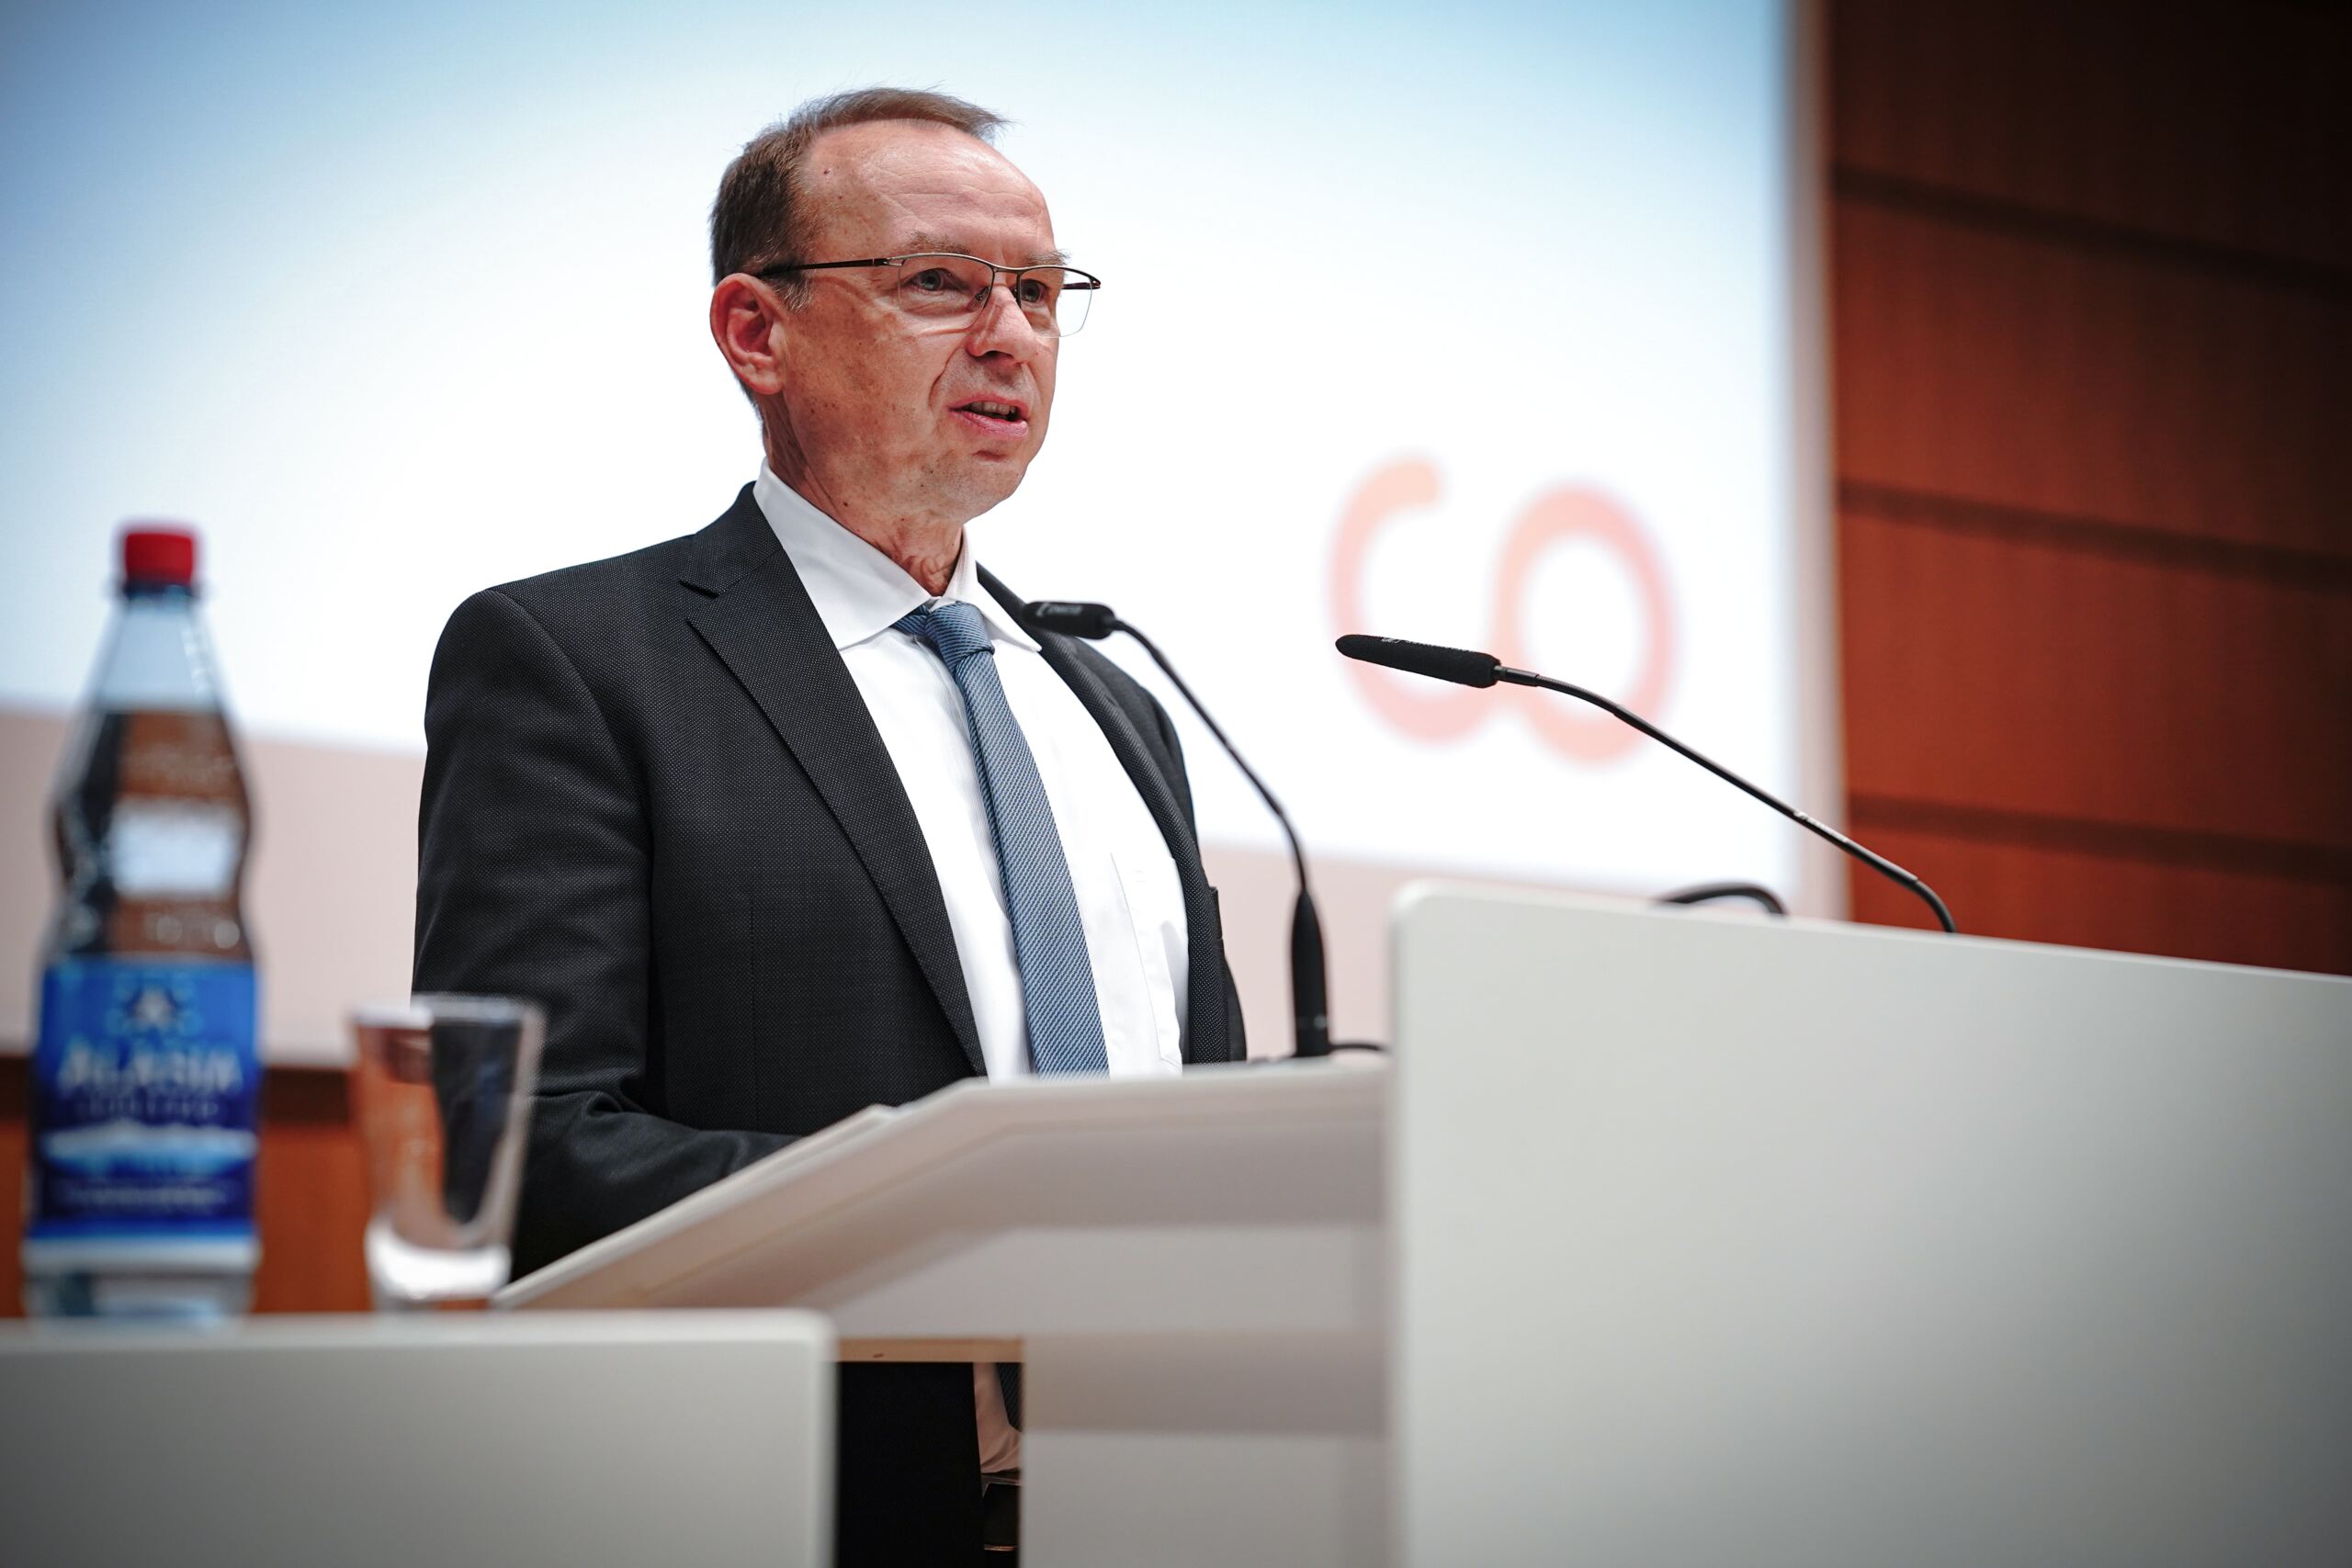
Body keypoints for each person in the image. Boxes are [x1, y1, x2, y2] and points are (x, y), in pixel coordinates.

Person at [413, 88, 1245, 1565]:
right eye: (941, 283)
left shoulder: (1119, 706)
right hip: (789, 1513)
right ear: (757, 333)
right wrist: (975, 1212)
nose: (1011, 335)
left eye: (1043, 294)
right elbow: (523, 1154)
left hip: (1182, 1506)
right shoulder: (579, 662)